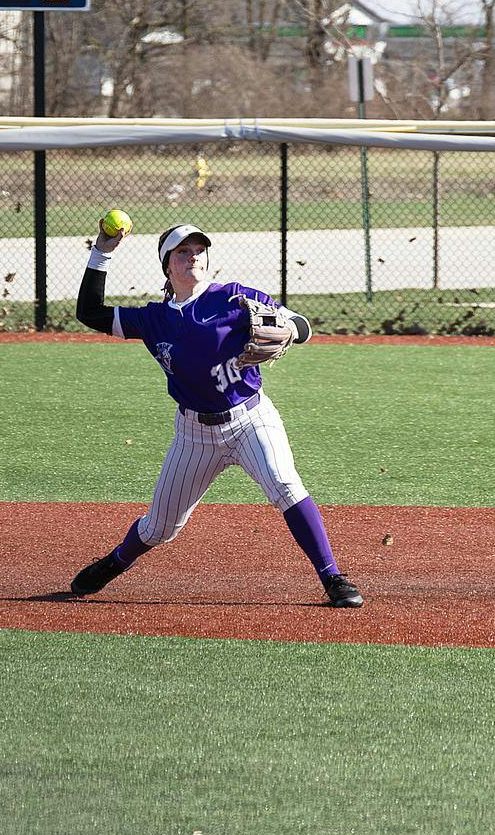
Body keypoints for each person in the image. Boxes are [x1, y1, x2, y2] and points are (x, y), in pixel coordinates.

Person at [64, 220, 363, 609]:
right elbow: (89, 312)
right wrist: (102, 252)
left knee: (285, 486)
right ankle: (116, 561)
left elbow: (301, 325)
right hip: (195, 434)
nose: (193, 257)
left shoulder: (235, 298)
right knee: (159, 528)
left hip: (251, 418)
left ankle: (333, 577)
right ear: (167, 265)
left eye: (199, 251)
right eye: (182, 252)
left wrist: (290, 329)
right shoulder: (153, 319)